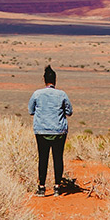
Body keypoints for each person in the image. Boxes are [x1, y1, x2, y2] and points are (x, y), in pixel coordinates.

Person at [29, 65, 72, 196]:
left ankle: (41, 188)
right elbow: (69, 112)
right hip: (59, 131)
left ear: (44, 80)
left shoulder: (37, 94)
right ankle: (57, 187)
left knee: (43, 158)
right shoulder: (62, 94)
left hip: (41, 131)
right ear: (55, 80)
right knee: (58, 158)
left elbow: (31, 111)